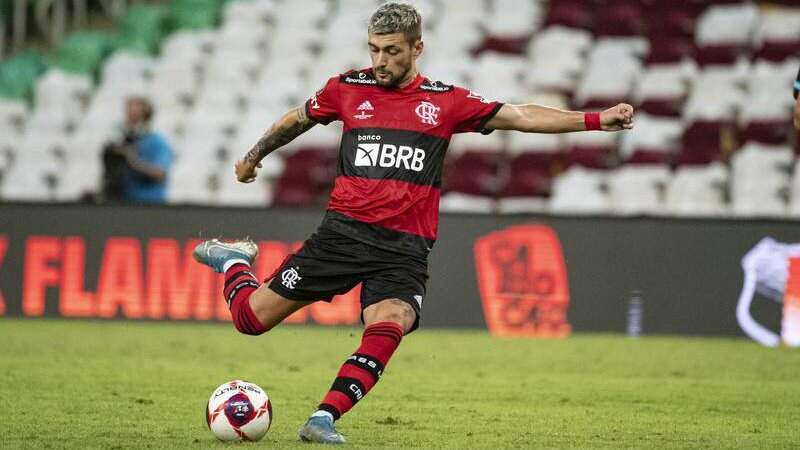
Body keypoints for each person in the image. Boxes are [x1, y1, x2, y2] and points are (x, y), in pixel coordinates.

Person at [192, 2, 634, 444]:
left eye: (391, 51)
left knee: (393, 320)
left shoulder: (445, 102)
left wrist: (595, 120)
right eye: (373, 50)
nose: (380, 61)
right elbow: (297, 118)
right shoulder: (347, 88)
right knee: (249, 320)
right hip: (342, 236)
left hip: (403, 248)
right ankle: (233, 262)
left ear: (417, 48)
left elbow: (519, 115)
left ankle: (324, 418)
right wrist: (253, 157)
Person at [102, 96, 173, 203]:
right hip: (124, 202)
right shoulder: (123, 140)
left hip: (150, 204)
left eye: (136, 118)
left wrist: (132, 159)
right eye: (129, 116)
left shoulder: (158, 142)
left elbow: (160, 173)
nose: (130, 122)